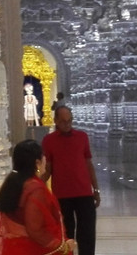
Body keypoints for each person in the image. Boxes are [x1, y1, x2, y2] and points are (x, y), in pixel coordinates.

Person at [0, 139, 73, 255]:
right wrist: (61, 246)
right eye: (43, 156)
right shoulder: (35, 189)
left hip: (14, 248)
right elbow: (35, 229)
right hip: (31, 248)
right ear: (37, 163)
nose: (45, 159)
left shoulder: (13, 182)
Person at [41, 106, 99, 255]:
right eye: (63, 121)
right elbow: (48, 169)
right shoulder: (49, 140)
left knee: (87, 234)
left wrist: (96, 189)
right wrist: (36, 186)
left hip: (84, 193)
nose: (67, 124)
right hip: (62, 195)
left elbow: (88, 164)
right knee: (65, 234)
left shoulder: (82, 137)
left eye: (69, 121)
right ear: (56, 121)